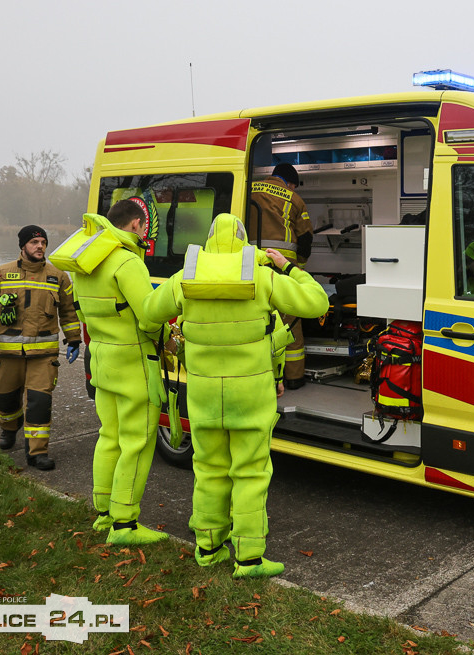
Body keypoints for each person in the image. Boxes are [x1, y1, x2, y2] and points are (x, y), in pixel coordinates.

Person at [143, 213, 329, 578]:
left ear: (209, 241)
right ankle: (248, 559)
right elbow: (316, 303)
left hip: (204, 395)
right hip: (252, 396)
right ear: (244, 242)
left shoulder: (186, 279)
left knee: (209, 469)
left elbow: (150, 312)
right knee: (251, 473)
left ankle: (208, 548)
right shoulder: (262, 277)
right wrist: (287, 267)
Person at [57, 199, 168, 544]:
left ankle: (103, 514)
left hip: (102, 362)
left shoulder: (84, 265)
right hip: (134, 366)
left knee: (109, 437)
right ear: (135, 225)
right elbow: (149, 316)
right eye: (144, 227)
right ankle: (125, 525)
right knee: (137, 443)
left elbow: (84, 317)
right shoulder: (126, 261)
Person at [0, 225, 81, 470]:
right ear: (22, 246)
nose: (40, 246)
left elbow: (69, 313)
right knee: (5, 401)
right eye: (34, 242)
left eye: (43, 242)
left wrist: (74, 339)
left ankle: (37, 452)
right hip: (8, 355)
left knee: (40, 402)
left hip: (44, 355)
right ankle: (9, 429)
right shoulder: (0, 274)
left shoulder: (59, 276)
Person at [247, 163, 314, 389]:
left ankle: (260, 373)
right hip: (282, 267)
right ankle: (294, 377)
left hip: (252, 266)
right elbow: (305, 238)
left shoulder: (250, 189)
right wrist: (299, 267)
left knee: (258, 319)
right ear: (290, 182)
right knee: (290, 320)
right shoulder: (294, 199)